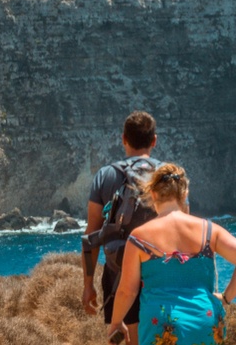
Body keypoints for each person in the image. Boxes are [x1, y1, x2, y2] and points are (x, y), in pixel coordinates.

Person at [106, 163, 236, 345]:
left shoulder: (139, 237)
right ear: (184, 194)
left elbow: (127, 291)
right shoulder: (209, 230)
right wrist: (226, 297)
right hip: (204, 320)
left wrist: (116, 322)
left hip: (160, 323)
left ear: (153, 194)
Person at [83, 110, 162, 345]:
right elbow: (186, 233)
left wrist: (88, 285)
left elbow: (91, 236)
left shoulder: (105, 176)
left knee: (123, 339)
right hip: (160, 275)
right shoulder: (169, 176)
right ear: (154, 140)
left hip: (116, 275)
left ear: (123, 139)